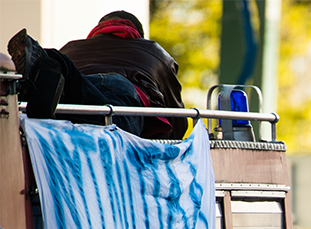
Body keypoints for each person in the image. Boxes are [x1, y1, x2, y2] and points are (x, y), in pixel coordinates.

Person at [8, 12, 184, 138]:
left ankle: (50, 63)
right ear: (139, 34)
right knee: (111, 130)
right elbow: (177, 117)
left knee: (76, 92)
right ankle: (54, 69)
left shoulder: (71, 47)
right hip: (122, 88)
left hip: (80, 86)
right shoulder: (153, 50)